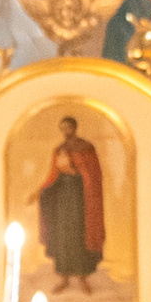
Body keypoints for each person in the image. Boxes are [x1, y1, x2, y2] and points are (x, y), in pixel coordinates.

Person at [35, 113, 106, 291]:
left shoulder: (86, 147)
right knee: (63, 236)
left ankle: (83, 278)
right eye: (62, 128)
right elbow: (53, 175)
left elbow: (93, 174)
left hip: (81, 199)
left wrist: (74, 169)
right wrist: (41, 191)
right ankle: (64, 278)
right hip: (62, 199)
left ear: (74, 128)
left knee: (80, 235)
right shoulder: (59, 149)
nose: (65, 131)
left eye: (68, 127)